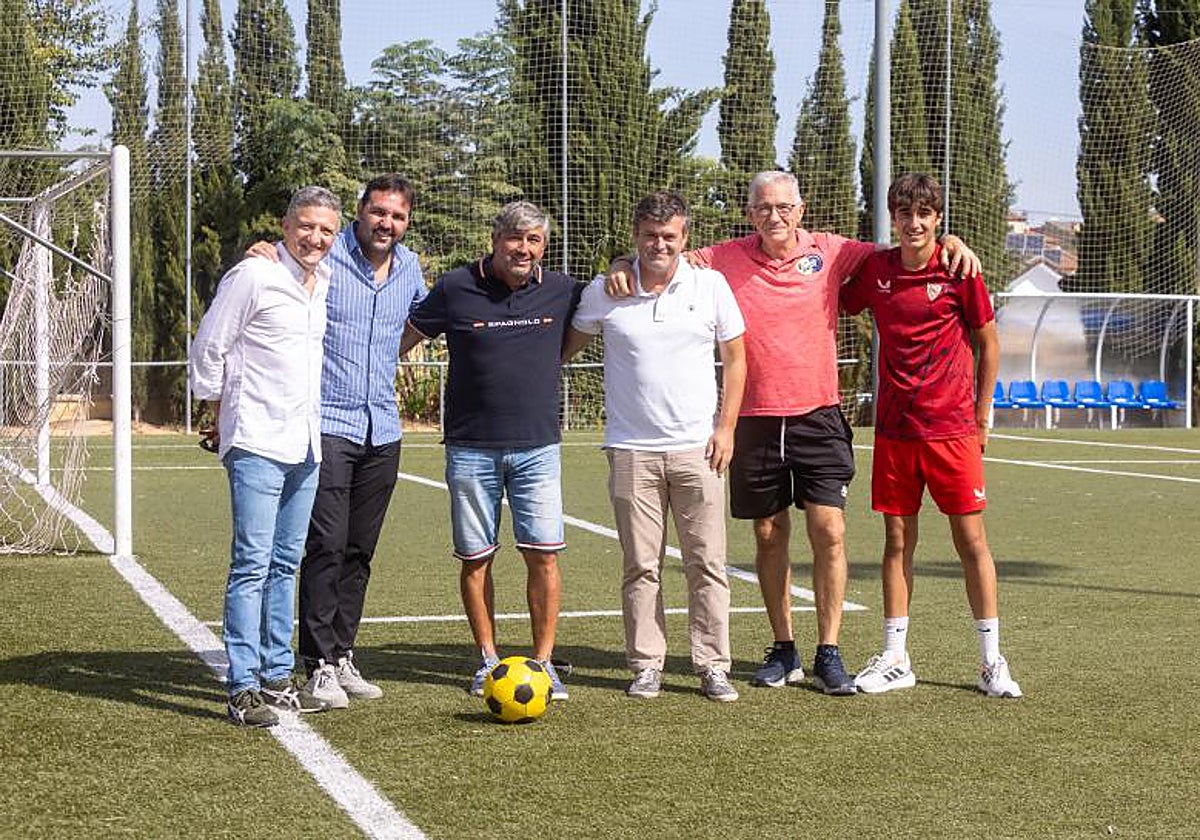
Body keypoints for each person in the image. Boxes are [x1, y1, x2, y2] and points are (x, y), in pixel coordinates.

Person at [607, 171, 980, 695]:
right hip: (755, 419)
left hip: (818, 417)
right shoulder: (721, 258)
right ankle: (784, 649)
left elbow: (904, 245)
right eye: (763, 207)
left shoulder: (833, 251)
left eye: (783, 207)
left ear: (800, 210)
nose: (774, 216)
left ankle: (829, 650)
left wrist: (951, 242)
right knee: (767, 533)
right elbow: (661, 254)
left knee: (829, 529)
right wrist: (622, 263)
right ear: (749, 212)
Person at [247, 175, 427, 710]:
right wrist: (262, 250)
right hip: (326, 424)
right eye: (377, 213)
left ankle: (342, 654)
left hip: (384, 428)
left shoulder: (410, 268)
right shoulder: (324, 257)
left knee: (359, 550)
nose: (385, 224)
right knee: (324, 545)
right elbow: (276, 265)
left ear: (406, 221)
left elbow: (425, 316)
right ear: (360, 212)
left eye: (396, 216)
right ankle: (317, 664)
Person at [841, 173, 1021, 698]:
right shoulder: (877, 270)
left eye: (923, 213)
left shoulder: (960, 270)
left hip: (952, 432)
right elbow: (835, 293)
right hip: (896, 433)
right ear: (892, 218)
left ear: (938, 219)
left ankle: (991, 662)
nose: (913, 222)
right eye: (903, 212)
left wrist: (983, 415)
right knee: (897, 541)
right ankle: (896, 658)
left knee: (971, 542)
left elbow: (988, 343)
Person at [564, 191, 748, 702]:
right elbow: (560, 347)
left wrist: (726, 426)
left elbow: (735, 359)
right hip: (630, 451)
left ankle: (713, 665)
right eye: (649, 236)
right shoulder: (607, 291)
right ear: (635, 237)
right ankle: (646, 664)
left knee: (707, 562)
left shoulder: (710, 286)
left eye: (669, 236)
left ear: (684, 238)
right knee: (640, 565)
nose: (659, 244)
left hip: (699, 449)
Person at [400, 200, 583, 701]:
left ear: (543, 247)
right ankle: (488, 659)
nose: (523, 249)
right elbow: (402, 339)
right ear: (495, 240)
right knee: (476, 560)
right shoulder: (456, 287)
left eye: (534, 241)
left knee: (542, 557)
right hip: (470, 449)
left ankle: (544, 663)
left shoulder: (564, 290)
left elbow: (607, 307)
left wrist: (618, 268)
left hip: (538, 448)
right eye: (515, 239)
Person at [190, 186, 341, 726]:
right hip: (256, 438)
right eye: (306, 226)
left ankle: (278, 675)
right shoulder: (252, 275)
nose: (315, 238)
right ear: (284, 224)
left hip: (306, 442)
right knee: (252, 564)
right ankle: (242, 684)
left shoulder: (322, 280)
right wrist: (214, 412)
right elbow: (210, 344)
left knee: (285, 563)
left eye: (326, 230)